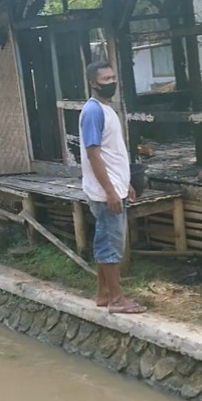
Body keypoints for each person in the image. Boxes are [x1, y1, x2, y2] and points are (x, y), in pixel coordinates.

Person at [79, 61, 146, 315]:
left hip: (115, 186)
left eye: (113, 77)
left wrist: (124, 182)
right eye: (105, 79)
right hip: (105, 191)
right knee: (110, 244)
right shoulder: (93, 111)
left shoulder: (106, 110)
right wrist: (109, 190)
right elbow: (93, 154)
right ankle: (117, 299)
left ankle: (103, 293)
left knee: (105, 238)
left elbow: (112, 153)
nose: (111, 82)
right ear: (93, 83)